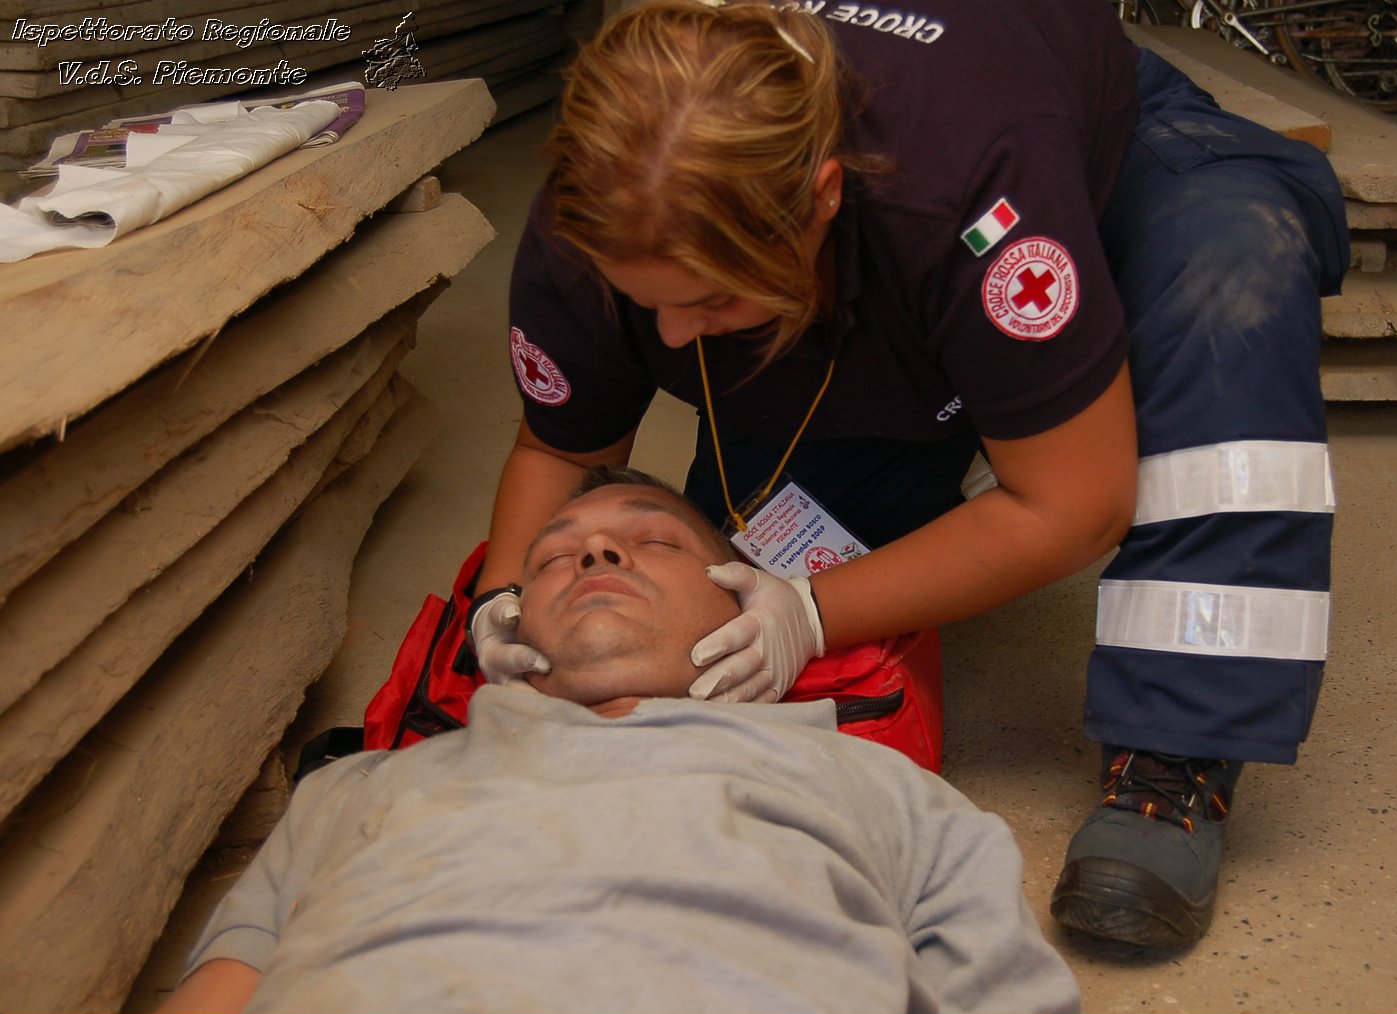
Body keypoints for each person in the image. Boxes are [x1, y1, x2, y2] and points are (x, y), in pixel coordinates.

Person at [471, 0, 1348, 949]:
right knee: (765, 546)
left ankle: (1177, 753)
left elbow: (1076, 506)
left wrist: (809, 613)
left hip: (1099, 135)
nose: (673, 337)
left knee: (1225, 266)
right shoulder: (599, 210)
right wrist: (498, 600)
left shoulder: (972, 186)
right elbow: (561, 447)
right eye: (650, 306)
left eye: (709, 299)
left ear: (823, 197)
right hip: (881, 229)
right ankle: (957, 408)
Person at [114, 468, 1094, 1014]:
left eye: (651, 541)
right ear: (512, 626)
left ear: (745, 602)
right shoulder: (356, 788)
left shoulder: (892, 798)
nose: (592, 556)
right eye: (552, 559)